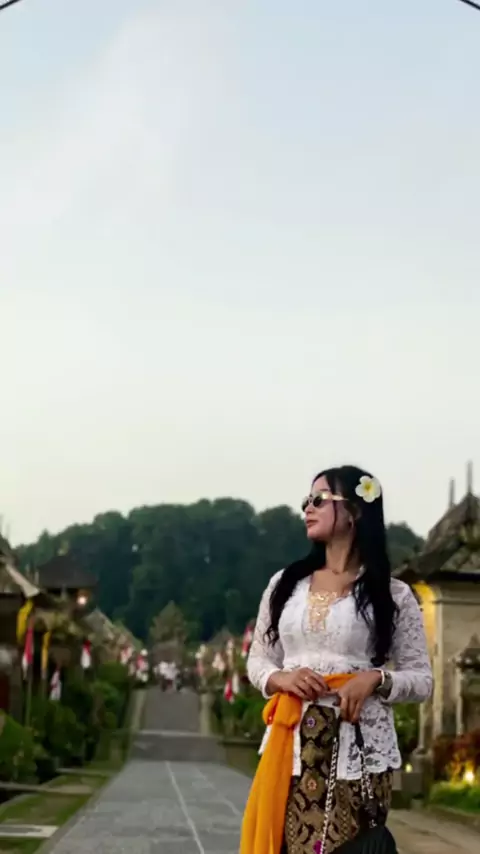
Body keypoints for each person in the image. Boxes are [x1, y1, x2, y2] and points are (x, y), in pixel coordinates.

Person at [244, 465, 432, 854]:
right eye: (306, 501)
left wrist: (376, 679)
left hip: (357, 750)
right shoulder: (285, 585)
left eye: (319, 499)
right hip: (291, 748)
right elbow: (259, 660)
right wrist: (282, 679)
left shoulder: (393, 595)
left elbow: (421, 680)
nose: (307, 508)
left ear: (355, 511)